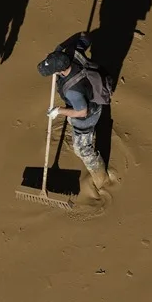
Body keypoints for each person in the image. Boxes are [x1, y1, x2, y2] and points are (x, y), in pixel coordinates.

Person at [37, 32, 113, 192]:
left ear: (61, 71)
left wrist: (58, 110)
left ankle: (102, 179)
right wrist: (57, 53)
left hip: (88, 114)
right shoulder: (73, 52)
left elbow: (82, 112)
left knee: (82, 149)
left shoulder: (73, 90)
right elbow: (84, 37)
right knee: (73, 118)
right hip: (89, 94)